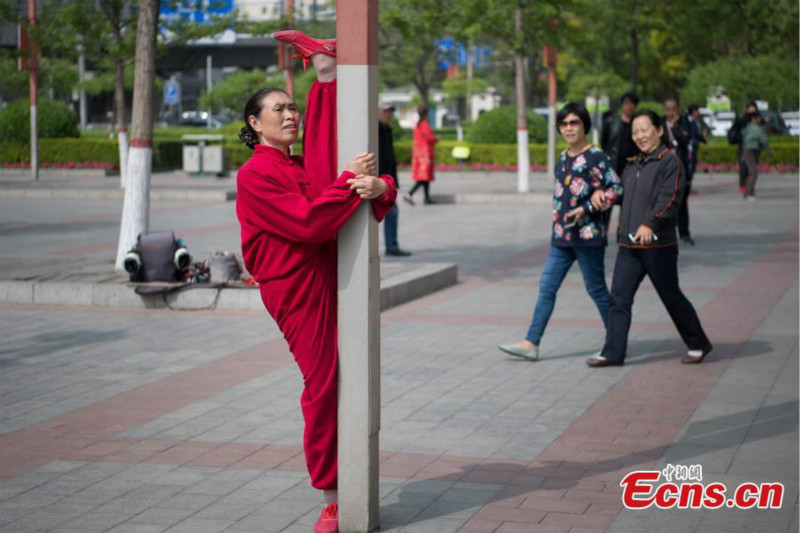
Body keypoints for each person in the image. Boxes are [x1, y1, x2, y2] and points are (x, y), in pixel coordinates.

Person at [236, 30, 397, 533]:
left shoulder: (295, 165)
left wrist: (378, 186)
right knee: (323, 383)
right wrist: (351, 187)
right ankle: (330, 495)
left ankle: (326, 72)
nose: (289, 114)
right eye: (277, 109)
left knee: (351, 378)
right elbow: (309, 222)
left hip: (331, 273)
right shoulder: (255, 175)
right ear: (254, 123)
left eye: (292, 107)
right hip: (298, 289)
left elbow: (334, 184)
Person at [587, 110, 713, 368]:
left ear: (658, 130)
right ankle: (613, 352)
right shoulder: (633, 163)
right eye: (635, 132)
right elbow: (621, 193)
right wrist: (603, 195)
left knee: (670, 296)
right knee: (619, 299)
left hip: (658, 246)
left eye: (644, 130)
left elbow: (670, 198)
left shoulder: (670, 161)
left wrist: (649, 223)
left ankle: (699, 342)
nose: (639, 136)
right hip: (629, 245)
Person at [498, 102, 622, 361]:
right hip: (561, 237)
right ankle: (532, 343)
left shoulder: (597, 157)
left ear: (584, 125)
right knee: (547, 286)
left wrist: (588, 205)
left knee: (596, 289)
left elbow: (617, 189)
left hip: (588, 237)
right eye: (564, 124)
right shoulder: (564, 157)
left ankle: (616, 340)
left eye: (574, 123)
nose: (568, 128)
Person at [379, 101, 411, 256]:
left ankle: (392, 246)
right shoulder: (374, 129)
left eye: (390, 112)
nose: (388, 115)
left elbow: (390, 157)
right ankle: (391, 246)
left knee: (392, 212)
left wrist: (395, 181)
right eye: (385, 111)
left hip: (387, 179)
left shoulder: (388, 130)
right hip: (376, 178)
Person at [664, 97, 694, 245]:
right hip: (665, 167)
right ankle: (665, 233)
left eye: (673, 109)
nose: (670, 112)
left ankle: (684, 233)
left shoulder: (684, 122)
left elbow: (685, 139)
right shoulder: (661, 123)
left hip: (680, 165)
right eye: (668, 109)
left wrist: (675, 127)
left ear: (678, 109)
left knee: (682, 202)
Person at [404, 106, 439, 205]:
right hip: (425, 154)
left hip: (419, 154)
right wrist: (436, 139)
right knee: (423, 177)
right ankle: (409, 194)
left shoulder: (418, 125)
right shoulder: (424, 124)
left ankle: (427, 198)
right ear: (426, 114)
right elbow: (430, 138)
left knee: (425, 177)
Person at [601, 91, 640, 176]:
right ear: (622, 105)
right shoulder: (611, 122)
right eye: (627, 103)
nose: (630, 106)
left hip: (633, 164)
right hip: (615, 164)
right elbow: (604, 142)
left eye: (632, 104)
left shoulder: (637, 123)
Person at [729, 101, 759, 195]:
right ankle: (743, 185)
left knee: (752, 168)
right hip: (743, 146)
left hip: (754, 147)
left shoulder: (758, 119)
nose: (752, 110)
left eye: (753, 108)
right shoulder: (742, 120)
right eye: (750, 108)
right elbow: (734, 130)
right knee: (743, 167)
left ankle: (749, 186)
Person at [740, 111, 772, 200]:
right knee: (753, 172)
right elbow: (763, 140)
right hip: (751, 151)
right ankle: (749, 194)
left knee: (751, 172)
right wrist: (769, 150)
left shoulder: (746, 128)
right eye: (758, 118)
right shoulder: (757, 129)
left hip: (746, 151)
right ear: (754, 119)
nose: (759, 120)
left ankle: (748, 193)